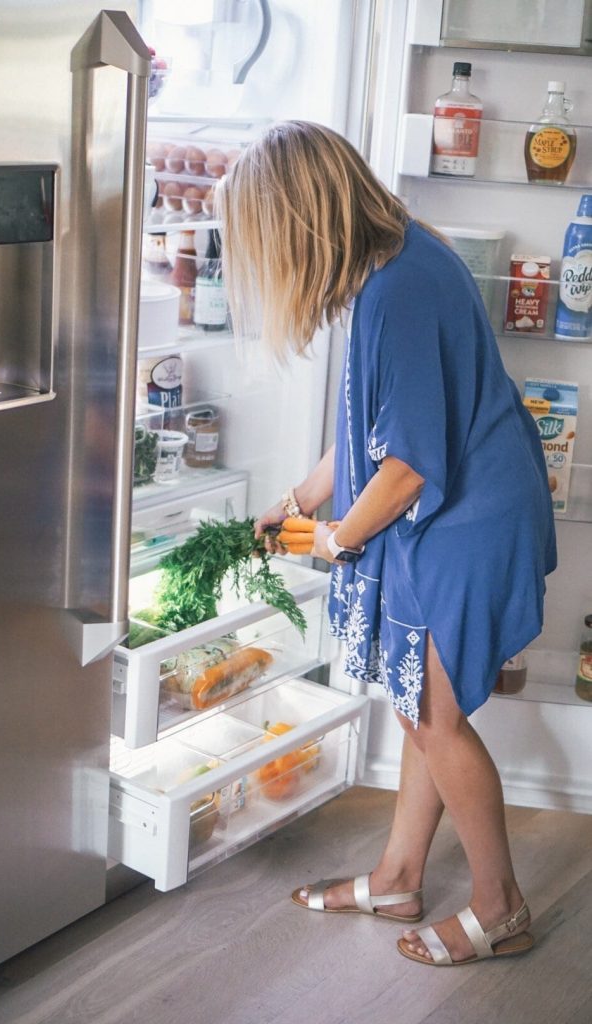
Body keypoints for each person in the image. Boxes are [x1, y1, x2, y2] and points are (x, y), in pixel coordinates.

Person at [216, 120, 556, 967]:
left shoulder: (399, 289)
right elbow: (370, 430)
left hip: (468, 517)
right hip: (454, 506)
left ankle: (499, 907)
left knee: (434, 713)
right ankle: (400, 875)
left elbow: (405, 468)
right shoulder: (394, 261)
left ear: (301, 220)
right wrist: (296, 501)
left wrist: (332, 537)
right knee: (417, 703)